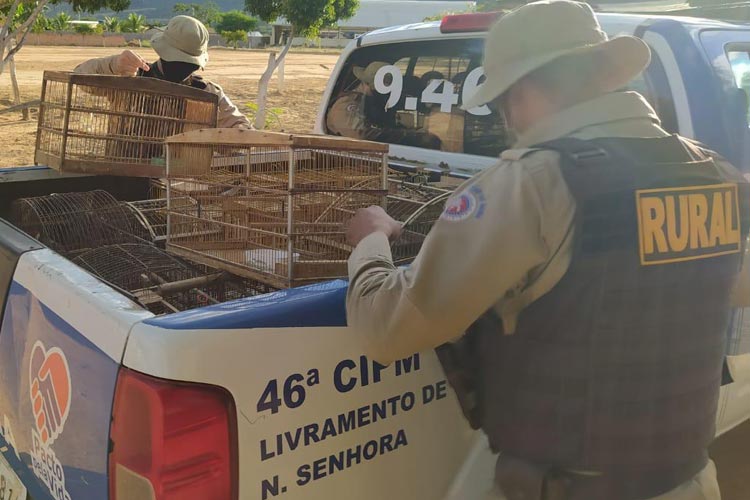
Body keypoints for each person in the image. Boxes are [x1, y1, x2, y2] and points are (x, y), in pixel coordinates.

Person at [344, 1, 750, 499]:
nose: (508, 118)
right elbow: (719, 285)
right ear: (605, 75)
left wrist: (370, 241)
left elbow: (389, 331)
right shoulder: (713, 176)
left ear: (524, 91)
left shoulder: (531, 185)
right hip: (688, 481)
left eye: (503, 101)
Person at [74, 15, 252, 129]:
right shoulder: (130, 79)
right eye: (178, 63)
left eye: (189, 65)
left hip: (178, 180)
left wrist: (240, 136)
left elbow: (239, 125)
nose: (183, 70)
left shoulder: (206, 92)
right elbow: (78, 77)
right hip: (123, 177)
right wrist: (113, 65)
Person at [326, 61, 442, 149]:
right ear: (369, 85)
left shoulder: (375, 102)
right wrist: (411, 136)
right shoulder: (347, 104)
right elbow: (362, 135)